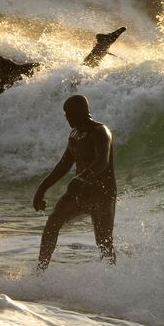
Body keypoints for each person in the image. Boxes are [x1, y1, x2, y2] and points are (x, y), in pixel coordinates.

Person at [33, 95, 117, 271]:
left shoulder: (100, 132)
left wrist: (82, 178)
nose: (67, 117)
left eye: (69, 113)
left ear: (81, 112)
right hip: (80, 192)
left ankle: (113, 279)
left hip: (103, 194)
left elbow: (103, 161)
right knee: (53, 222)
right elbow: (64, 165)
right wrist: (42, 189)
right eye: (66, 114)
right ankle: (40, 271)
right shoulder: (75, 136)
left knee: (104, 241)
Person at [0, 27, 126, 103]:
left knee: (82, 73)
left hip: (35, 74)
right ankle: (102, 44)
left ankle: (102, 44)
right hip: (36, 73)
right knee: (83, 71)